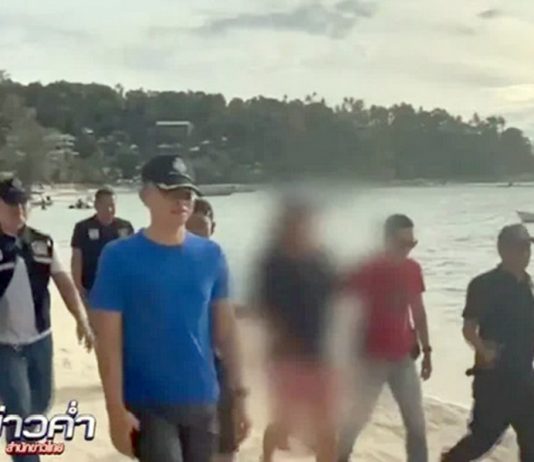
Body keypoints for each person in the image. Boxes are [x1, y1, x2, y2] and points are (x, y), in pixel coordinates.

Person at [89, 155, 251, 462]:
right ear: (145, 195)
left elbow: (226, 332)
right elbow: (107, 341)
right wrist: (115, 409)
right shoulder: (119, 257)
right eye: (170, 191)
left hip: (203, 401)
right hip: (147, 403)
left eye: (187, 193)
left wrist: (240, 396)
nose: (181, 201)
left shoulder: (211, 255)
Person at [0, 177, 94, 462]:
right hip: (5, 346)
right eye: (11, 203)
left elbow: (63, 282)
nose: (19, 209)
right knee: (19, 409)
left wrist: (81, 319)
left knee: (41, 403)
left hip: (41, 339)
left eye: (23, 202)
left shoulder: (42, 242)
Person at [338, 214, 431, 462]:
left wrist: (427, 350)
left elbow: (418, 312)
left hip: (403, 358)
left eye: (412, 244)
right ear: (386, 240)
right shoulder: (365, 269)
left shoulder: (412, 269)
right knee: (356, 420)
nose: (408, 249)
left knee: (416, 424)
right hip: (370, 360)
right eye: (403, 243)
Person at [441, 224, 534, 462]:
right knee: (482, 439)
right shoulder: (483, 285)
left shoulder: (528, 285)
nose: (526, 254)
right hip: (493, 380)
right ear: (503, 250)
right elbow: (468, 328)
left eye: (528, 248)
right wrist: (483, 350)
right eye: (520, 248)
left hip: (525, 379)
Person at [258, 198, 338, 462]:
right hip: (286, 356)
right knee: (286, 424)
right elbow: (265, 309)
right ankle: (266, 458)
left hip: (321, 353)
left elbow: (336, 298)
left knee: (327, 427)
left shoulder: (322, 259)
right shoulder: (273, 263)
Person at [186, 198, 240, 462]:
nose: (197, 234)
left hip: (218, 360)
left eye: (202, 227)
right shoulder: (170, 262)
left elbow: (226, 312)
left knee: (227, 438)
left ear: (213, 227)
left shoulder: (218, 261)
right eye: (191, 227)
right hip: (184, 364)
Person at [71, 187, 134, 301]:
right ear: (96, 205)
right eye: (105, 205)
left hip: (121, 288)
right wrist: (79, 288)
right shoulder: (83, 227)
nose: (109, 209)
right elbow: (76, 259)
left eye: (112, 205)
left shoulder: (125, 226)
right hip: (92, 287)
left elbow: (133, 257)